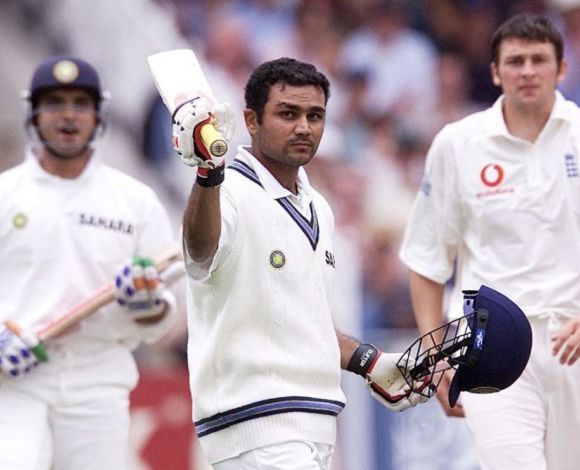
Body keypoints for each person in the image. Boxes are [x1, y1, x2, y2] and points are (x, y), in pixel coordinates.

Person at [399, 13, 580, 470]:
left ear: (562, 69)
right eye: (515, 61)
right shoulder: (458, 145)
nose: (527, 71)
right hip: (492, 345)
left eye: (539, 60)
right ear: (495, 72)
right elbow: (425, 262)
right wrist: (436, 362)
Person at [0, 55, 177, 469]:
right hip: (14, 378)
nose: (68, 116)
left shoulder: (134, 201)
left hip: (98, 379)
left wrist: (146, 303)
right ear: (32, 112)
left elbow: (163, 309)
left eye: (79, 104)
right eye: (54, 103)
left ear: (98, 113)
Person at [171, 57, 431, 469]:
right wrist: (207, 174)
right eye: (288, 114)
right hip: (257, 422)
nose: (304, 127)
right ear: (251, 121)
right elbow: (200, 254)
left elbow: (306, 321)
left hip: (313, 423)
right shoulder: (229, 190)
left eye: (315, 115)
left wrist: (371, 361)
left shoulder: (317, 207)